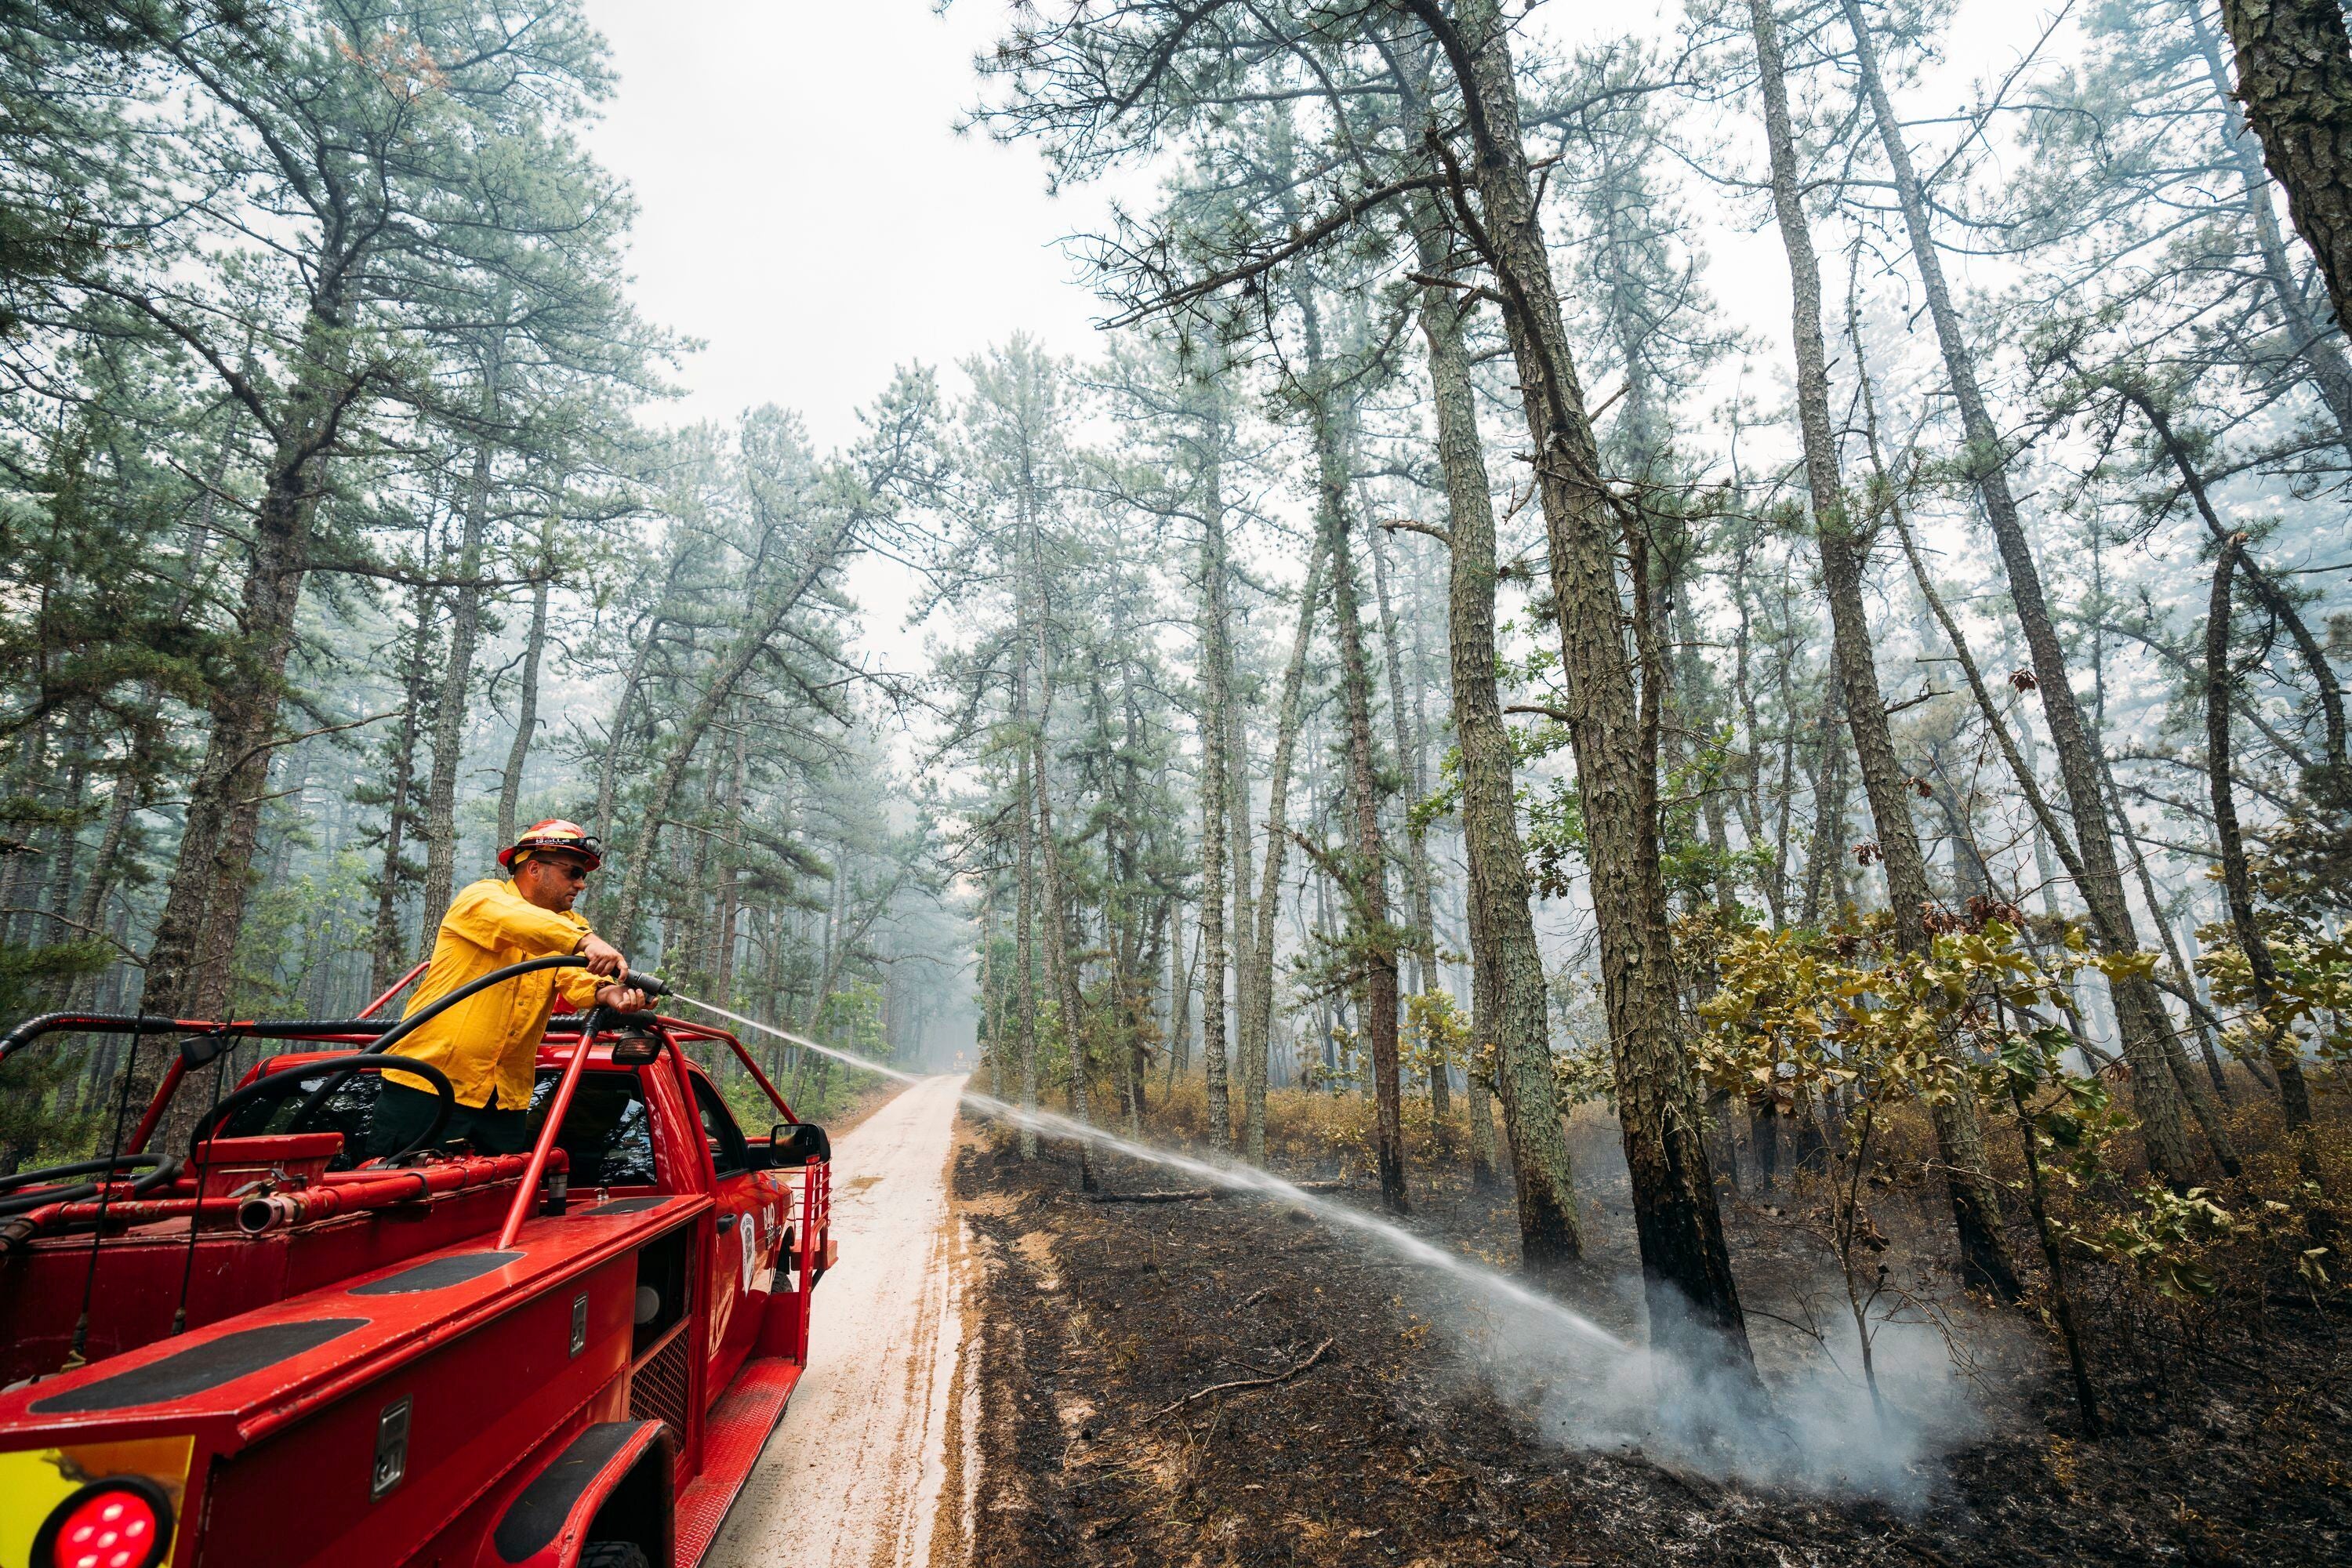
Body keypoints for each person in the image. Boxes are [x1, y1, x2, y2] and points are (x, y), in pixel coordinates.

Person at [370, 819, 650, 1157]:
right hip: (428, 1086)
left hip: (505, 1101)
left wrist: (609, 993)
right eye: (574, 873)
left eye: (584, 876)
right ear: (534, 868)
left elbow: (575, 979)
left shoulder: (569, 926)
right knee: (405, 1199)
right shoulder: (482, 898)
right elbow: (518, 922)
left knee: (500, 1199)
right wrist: (584, 941)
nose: (581, 885)